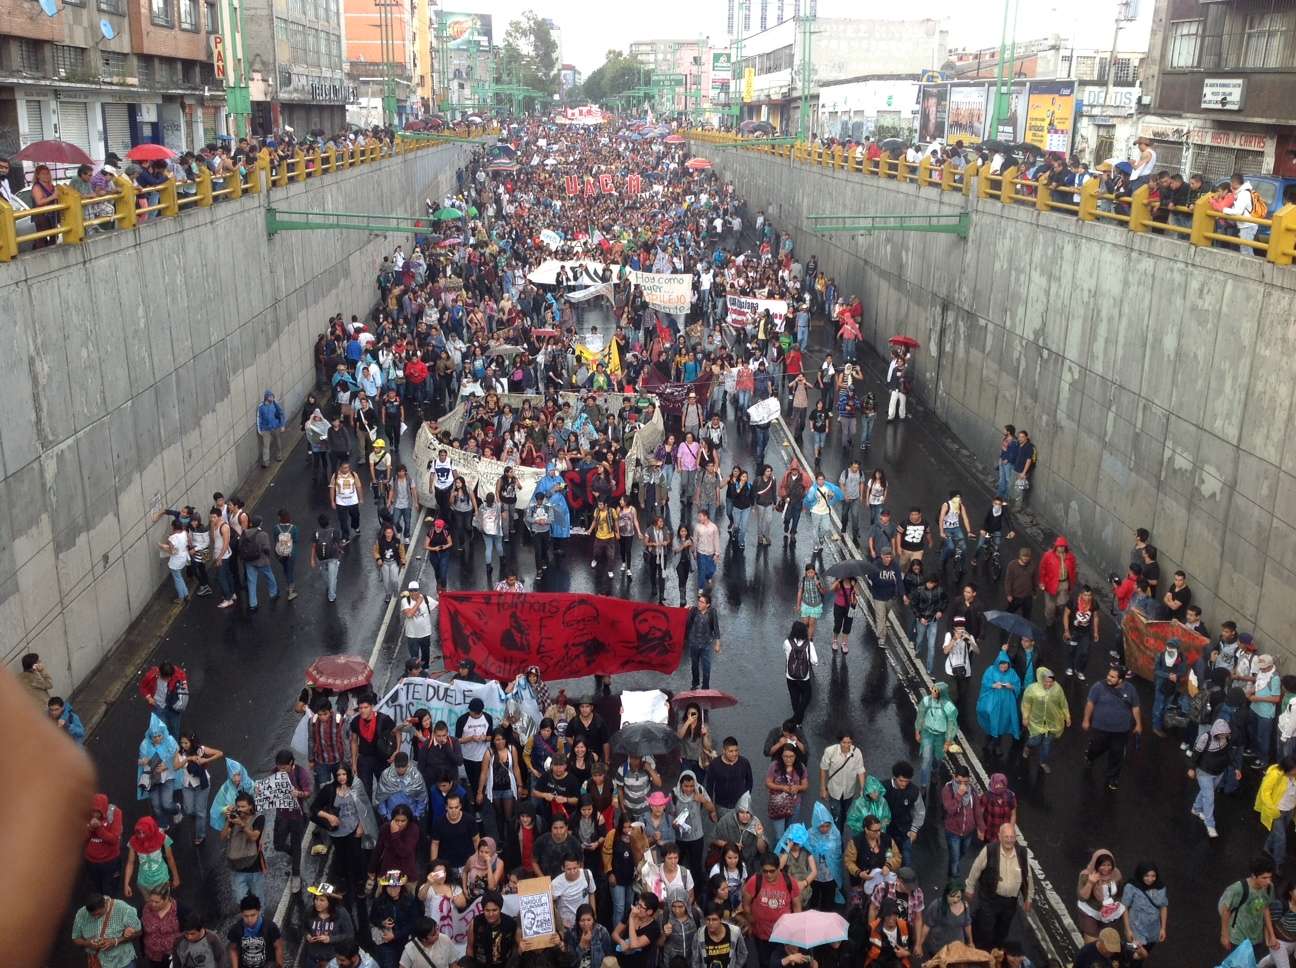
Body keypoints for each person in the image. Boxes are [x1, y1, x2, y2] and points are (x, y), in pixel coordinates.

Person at [965, 823, 1032, 949]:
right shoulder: (989, 850)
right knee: (986, 928)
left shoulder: (1022, 853)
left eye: (1012, 837)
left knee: (1003, 930)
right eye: (1006, 837)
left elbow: (1028, 877)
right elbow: (976, 868)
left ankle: (996, 952)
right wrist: (969, 887)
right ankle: (983, 952)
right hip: (989, 898)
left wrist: (1029, 897)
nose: (1009, 840)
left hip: (1010, 902)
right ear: (999, 836)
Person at [1082, 665, 1143, 791]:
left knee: (1117, 754)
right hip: (1100, 728)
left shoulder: (1130, 689)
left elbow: (1135, 707)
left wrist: (1138, 724)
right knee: (1097, 747)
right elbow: (1090, 703)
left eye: (1112, 677)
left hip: (1121, 731)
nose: (1108, 678)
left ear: (1120, 680)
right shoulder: (1098, 687)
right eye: (1109, 675)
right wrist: (1086, 719)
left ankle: (1112, 777)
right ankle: (1090, 756)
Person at [742, 853, 801, 968]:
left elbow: (797, 906)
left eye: (772, 871)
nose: (768, 874)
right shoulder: (755, 880)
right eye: (765, 871)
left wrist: (795, 930)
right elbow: (746, 903)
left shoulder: (790, 881)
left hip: (784, 935)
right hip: (761, 935)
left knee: (783, 963)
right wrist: (750, 919)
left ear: (779, 868)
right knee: (765, 963)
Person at [71, 892, 141, 968]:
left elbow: (139, 932)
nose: (95, 917)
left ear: (105, 904)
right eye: (92, 915)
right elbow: (76, 938)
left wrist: (115, 941)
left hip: (123, 962)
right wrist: (88, 943)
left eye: (99, 914)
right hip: (98, 962)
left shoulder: (123, 908)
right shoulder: (81, 914)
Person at [1020, 667, 1069, 774]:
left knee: (1046, 747)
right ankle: (1028, 746)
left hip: (1052, 724)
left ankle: (1042, 762)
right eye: (1046, 681)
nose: (1049, 684)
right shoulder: (1032, 689)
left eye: (1051, 681)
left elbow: (1063, 703)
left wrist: (1067, 716)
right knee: (1035, 741)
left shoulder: (1057, 689)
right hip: (1036, 723)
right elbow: (1026, 704)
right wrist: (1025, 717)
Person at [976, 651, 1023, 760]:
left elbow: (1017, 685)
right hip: (993, 702)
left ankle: (997, 744)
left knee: (1002, 722)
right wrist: (993, 685)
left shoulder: (1012, 673)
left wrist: (1011, 686)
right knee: (992, 720)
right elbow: (985, 683)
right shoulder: (991, 670)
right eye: (1001, 665)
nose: (1003, 667)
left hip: (1006, 703)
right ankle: (989, 740)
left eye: (1005, 664)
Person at [1076, 850, 1125, 944]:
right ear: (1096, 864)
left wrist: (1114, 907)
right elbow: (1082, 897)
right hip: (1090, 913)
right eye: (1102, 865)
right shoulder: (1086, 875)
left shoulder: (1116, 874)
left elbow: (1119, 894)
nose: (1106, 868)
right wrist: (1091, 882)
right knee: (1092, 944)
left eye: (1109, 865)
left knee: (1105, 942)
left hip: (1107, 914)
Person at [1121, 862, 1168, 960]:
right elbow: (1124, 907)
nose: (1150, 879)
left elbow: (1163, 907)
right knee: (1133, 953)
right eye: (1146, 876)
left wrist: (1163, 928)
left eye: (1153, 876)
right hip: (1136, 930)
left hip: (1153, 930)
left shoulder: (1160, 887)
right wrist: (1128, 929)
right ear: (1140, 874)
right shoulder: (1131, 887)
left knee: (1144, 952)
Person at [304, 882, 356, 968]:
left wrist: (330, 939)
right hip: (312, 959)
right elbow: (305, 928)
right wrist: (308, 936)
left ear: (330, 902)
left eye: (322, 900)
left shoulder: (341, 913)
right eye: (316, 899)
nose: (317, 903)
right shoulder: (310, 911)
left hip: (332, 960)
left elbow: (349, 935)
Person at [227, 893, 284, 967]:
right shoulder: (236, 929)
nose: (249, 919)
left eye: (253, 915)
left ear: (259, 912)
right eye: (246, 916)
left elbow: (278, 946)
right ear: (241, 914)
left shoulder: (270, 927)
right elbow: (233, 949)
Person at [783, 620, 818, 725]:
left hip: (790, 676)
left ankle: (797, 721)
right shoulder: (809, 645)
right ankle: (798, 717)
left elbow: (785, 652)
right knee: (807, 696)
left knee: (794, 698)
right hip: (804, 678)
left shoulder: (787, 642)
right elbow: (815, 661)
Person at [685, 592, 721, 690]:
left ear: (707, 605)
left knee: (706, 666)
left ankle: (705, 686)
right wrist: (685, 610)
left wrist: (717, 643)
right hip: (694, 643)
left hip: (705, 645)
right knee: (694, 665)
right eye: (699, 601)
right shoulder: (694, 610)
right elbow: (684, 619)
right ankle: (695, 683)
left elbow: (716, 628)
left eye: (702, 602)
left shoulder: (712, 613)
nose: (699, 604)